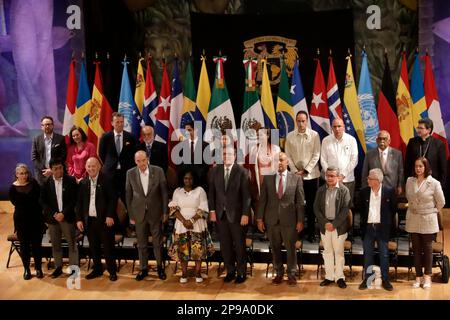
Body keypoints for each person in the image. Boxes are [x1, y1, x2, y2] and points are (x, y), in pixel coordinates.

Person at [256, 152, 305, 286]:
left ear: (287, 162)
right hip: (271, 220)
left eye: (282, 160)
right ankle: (278, 273)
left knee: (290, 249)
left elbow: (300, 202)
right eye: (277, 160)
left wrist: (300, 220)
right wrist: (259, 219)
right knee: (275, 248)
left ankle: (291, 274)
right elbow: (262, 200)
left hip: (289, 220)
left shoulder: (296, 179)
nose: (279, 163)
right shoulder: (267, 178)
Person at [209, 147, 251, 284]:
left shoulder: (242, 172)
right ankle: (230, 271)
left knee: (239, 246)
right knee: (225, 246)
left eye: (229, 154)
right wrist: (212, 211)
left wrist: (245, 214)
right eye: (224, 154)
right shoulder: (215, 171)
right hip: (221, 215)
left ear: (235, 156)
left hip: (238, 216)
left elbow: (247, 197)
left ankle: (241, 273)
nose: (226, 156)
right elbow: (212, 194)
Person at [126, 150, 168, 281]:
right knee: (142, 244)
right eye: (138, 161)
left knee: (157, 242)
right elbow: (128, 195)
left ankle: (160, 267)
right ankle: (143, 269)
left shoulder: (158, 171)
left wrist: (165, 211)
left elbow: (164, 193)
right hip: (138, 213)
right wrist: (131, 214)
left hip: (155, 212)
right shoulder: (130, 173)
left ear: (147, 159)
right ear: (135, 161)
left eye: (143, 160)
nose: (141, 163)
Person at [405, 157, 445, 289]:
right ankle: (418, 277)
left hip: (428, 219)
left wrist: (433, 211)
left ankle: (427, 277)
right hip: (413, 218)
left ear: (426, 167)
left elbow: (441, 202)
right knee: (416, 250)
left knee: (427, 249)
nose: (418, 169)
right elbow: (408, 197)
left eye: (421, 166)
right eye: (416, 166)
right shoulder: (409, 181)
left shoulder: (434, 183)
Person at [76, 157, 118, 281]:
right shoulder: (83, 182)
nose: (91, 169)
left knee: (108, 248)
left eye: (93, 166)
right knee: (93, 248)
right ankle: (97, 269)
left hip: (105, 220)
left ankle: (112, 271)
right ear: (86, 168)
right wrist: (79, 219)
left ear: (99, 166)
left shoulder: (107, 180)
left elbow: (113, 199)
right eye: (88, 166)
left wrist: (110, 215)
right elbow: (79, 203)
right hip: (89, 221)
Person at [168, 169, 214, 283]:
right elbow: (173, 209)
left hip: (197, 224)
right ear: (182, 179)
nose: (187, 180)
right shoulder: (177, 191)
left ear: (194, 180)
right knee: (183, 251)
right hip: (181, 225)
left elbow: (203, 208)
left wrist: (192, 221)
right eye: (185, 178)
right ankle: (184, 274)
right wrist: (184, 221)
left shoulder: (200, 191)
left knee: (197, 250)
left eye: (190, 178)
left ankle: (198, 273)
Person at [285, 111, 321, 242]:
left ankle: (312, 232)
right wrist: (295, 171)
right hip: (295, 177)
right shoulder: (290, 136)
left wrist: (306, 170)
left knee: (311, 206)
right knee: (297, 205)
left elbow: (317, 154)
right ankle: (298, 232)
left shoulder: (314, 135)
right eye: (299, 121)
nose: (301, 124)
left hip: (311, 176)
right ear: (296, 121)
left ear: (307, 121)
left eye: (303, 121)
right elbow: (287, 155)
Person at [40, 158, 79, 278]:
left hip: (67, 218)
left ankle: (73, 270)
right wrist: (54, 214)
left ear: (63, 168)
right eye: (55, 168)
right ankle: (58, 267)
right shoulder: (46, 183)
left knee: (72, 244)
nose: (58, 171)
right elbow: (43, 201)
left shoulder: (71, 180)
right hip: (53, 219)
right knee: (55, 245)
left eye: (60, 168)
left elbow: (74, 199)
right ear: (51, 169)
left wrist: (64, 213)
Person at [359, 168, 396, 291]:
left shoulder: (389, 192)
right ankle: (368, 279)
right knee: (368, 255)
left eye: (370, 178)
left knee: (384, 255)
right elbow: (361, 211)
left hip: (382, 228)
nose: (367, 179)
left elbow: (393, 210)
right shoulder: (364, 192)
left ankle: (385, 279)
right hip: (369, 228)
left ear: (378, 180)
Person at [314, 166, 351, 289]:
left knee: (339, 253)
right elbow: (316, 208)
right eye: (327, 175)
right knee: (327, 252)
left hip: (338, 227)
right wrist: (325, 222)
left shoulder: (344, 191)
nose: (329, 178)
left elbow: (345, 210)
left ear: (338, 177)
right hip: (325, 226)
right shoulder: (320, 190)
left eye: (332, 176)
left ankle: (339, 277)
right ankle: (329, 277)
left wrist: (334, 224)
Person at [9, 163, 45, 280]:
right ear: (16, 175)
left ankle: (38, 268)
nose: (23, 175)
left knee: (36, 245)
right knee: (24, 247)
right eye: (21, 173)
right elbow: (15, 203)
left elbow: (38, 199)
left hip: (35, 219)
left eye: (25, 173)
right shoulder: (12, 188)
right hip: (21, 221)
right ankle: (26, 269)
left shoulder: (34, 184)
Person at [98, 112, 137, 204]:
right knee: (110, 199)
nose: (120, 124)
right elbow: (101, 154)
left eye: (121, 122)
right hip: (110, 173)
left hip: (126, 173)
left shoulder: (130, 137)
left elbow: (133, 154)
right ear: (112, 123)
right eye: (117, 122)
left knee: (126, 198)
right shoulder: (105, 137)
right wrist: (110, 164)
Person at [320, 118, 358, 206]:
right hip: (330, 180)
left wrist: (342, 175)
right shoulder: (326, 140)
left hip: (347, 179)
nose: (337, 129)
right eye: (335, 126)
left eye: (339, 126)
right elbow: (323, 160)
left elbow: (354, 160)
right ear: (331, 128)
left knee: (347, 206)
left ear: (343, 127)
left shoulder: (351, 140)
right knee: (331, 206)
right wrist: (331, 175)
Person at [405, 118, 447, 187]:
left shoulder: (439, 144)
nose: (418, 130)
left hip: (432, 184)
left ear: (429, 130)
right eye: (418, 127)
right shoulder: (412, 142)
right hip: (415, 182)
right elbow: (407, 164)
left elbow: (443, 169)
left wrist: (440, 186)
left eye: (421, 128)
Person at [248, 125, 281, 213]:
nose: (260, 137)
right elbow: (251, 168)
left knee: (271, 202)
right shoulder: (254, 149)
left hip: (272, 179)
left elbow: (279, 167)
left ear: (268, 135)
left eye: (262, 134)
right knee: (260, 203)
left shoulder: (276, 149)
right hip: (259, 179)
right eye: (258, 135)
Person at [361, 131, 404, 195]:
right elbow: (365, 172)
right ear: (376, 140)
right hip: (374, 189)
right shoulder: (369, 154)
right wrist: (365, 188)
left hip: (392, 189)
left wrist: (400, 186)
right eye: (380, 139)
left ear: (389, 141)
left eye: (384, 139)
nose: (382, 141)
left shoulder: (397, 154)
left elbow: (400, 171)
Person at [31, 116, 67, 185]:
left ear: (52, 125)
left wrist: (52, 169)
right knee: (42, 194)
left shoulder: (60, 138)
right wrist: (45, 170)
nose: (47, 126)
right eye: (44, 125)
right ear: (41, 127)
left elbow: (63, 156)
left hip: (57, 172)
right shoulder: (36, 139)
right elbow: (34, 157)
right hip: (41, 174)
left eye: (49, 124)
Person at [178, 121, 211, 192]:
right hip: (185, 184)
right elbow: (179, 164)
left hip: (201, 182)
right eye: (186, 131)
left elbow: (206, 165)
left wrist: (195, 177)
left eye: (189, 130)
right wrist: (187, 178)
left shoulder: (205, 146)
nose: (187, 133)